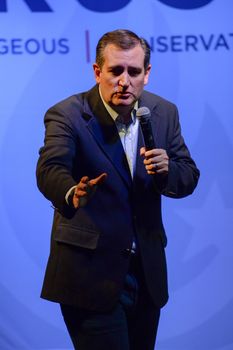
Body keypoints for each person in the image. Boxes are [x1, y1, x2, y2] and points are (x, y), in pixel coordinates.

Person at [36, 29, 200, 350]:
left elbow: (189, 176)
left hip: (146, 274)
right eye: (115, 71)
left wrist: (168, 171)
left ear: (147, 74)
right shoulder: (68, 114)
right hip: (90, 276)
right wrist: (73, 193)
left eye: (134, 72)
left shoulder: (164, 112)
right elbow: (50, 169)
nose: (125, 81)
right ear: (98, 72)